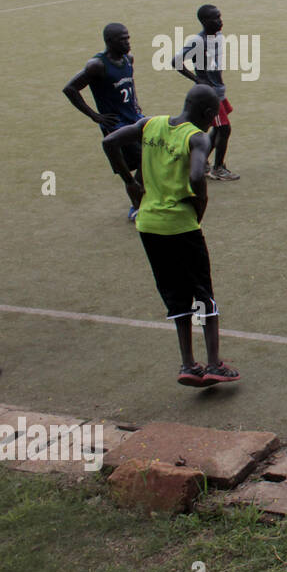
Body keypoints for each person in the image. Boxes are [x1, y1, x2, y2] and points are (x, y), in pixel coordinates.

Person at [102, 84, 240, 388]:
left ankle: (188, 364)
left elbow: (110, 141)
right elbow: (195, 176)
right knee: (203, 292)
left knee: (176, 296)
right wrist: (200, 205)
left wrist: (130, 182)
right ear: (207, 114)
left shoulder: (150, 124)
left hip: (149, 226)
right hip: (180, 225)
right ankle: (215, 364)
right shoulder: (198, 137)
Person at [62, 23, 145, 219]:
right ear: (109, 42)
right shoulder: (97, 66)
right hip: (116, 125)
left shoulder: (128, 59)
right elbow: (70, 89)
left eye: (128, 38)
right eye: (122, 39)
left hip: (134, 119)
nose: (127, 42)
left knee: (151, 155)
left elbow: (130, 85)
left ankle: (140, 193)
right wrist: (95, 116)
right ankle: (136, 206)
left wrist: (136, 104)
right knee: (134, 164)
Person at [172, 4, 238, 180]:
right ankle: (218, 168)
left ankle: (201, 163)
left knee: (216, 129)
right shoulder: (198, 41)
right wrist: (197, 79)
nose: (220, 21)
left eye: (220, 16)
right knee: (224, 129)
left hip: (219, 90)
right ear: (204, 21)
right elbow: (176, 61)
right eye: (215, 18)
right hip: (210, 95)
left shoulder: (217, 36)